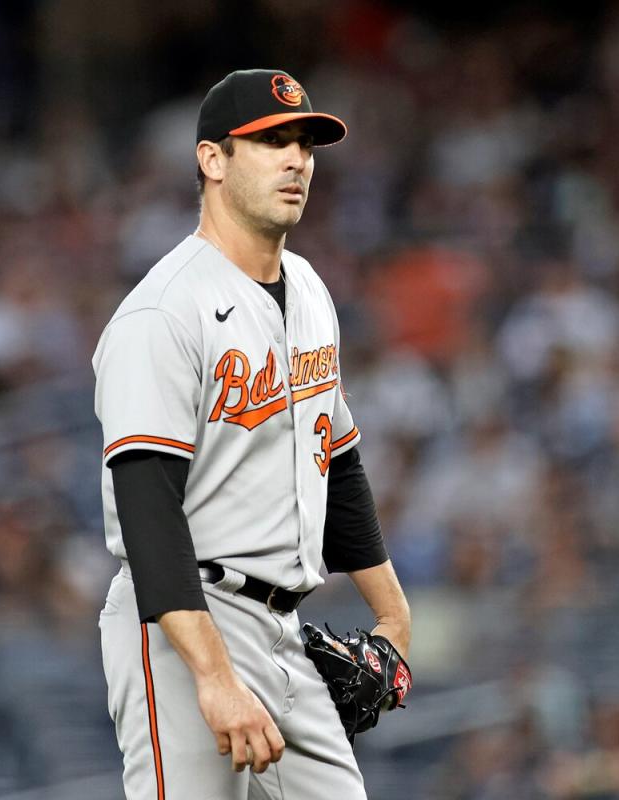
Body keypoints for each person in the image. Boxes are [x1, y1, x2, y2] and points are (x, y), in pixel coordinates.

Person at [92, 69, 411, 799]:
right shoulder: (164, 313)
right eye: (270, 141)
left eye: (304, 142)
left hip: (287, 629)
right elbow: (147, 510)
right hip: (185, 623)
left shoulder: (309, 289)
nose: (296, 159)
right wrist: (211, 674)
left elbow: (339, 458)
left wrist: (393, 613)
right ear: (213, 160)